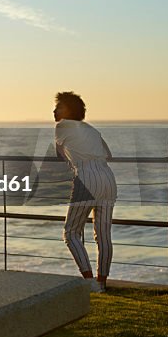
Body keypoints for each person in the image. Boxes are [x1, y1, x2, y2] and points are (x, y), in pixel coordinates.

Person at [53, 91, 117, 293]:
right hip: (107, 177)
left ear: (69, 110)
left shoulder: (61, 127)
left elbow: (59, 155)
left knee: (71, 232)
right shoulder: (91, 129)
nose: (55, 110)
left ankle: (89, 281)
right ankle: (102, 282)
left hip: (87, 177)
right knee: (103, 234)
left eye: (59, 107)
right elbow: (108, 154)